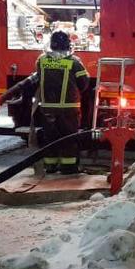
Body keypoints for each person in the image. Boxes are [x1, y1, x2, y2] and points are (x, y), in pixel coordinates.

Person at [36, 32, 90, 174]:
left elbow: (38, 79)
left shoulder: (41, 60)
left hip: (47, 109)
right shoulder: (74, 62)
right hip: (68, 109)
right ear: (68, 45)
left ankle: (50, 166)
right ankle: (68, 167)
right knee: (68, 139)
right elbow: (84, 83)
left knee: (50, 138)